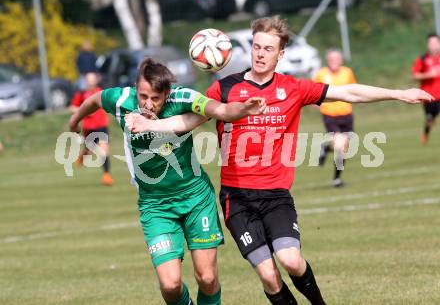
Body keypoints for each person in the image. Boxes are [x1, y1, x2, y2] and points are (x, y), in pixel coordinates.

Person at [126, 16, 432, 305]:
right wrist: (149, 124)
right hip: (237, 199)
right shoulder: (224, 88)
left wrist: (398, 93)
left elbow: (347, 92)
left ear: (280, 54)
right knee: (270, 277)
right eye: (256, 46)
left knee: (290, 260)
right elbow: (187, 121)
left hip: (276, 196)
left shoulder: (293, 88)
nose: (260, 54)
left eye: (268, 48)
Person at [69, 57, 268, 305]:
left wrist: (244, 108)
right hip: (155, 206)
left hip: (196, 198)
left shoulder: (181, 98)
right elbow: (95, 100)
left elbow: (220, 110)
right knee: (170, 284)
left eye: (155, 98)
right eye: (143, 96)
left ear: (167, 94)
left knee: (206, 278)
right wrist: (75, 120)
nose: (148, 104)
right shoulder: (122, 100)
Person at [313, 48, 357, 187]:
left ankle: (325, 150)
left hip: (347, 115)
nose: (334, 62)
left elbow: (354, 89)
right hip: (330, 116)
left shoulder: (347, 72)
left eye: (336, 59)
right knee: (340, 146)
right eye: (331, 59)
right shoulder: (321, 74)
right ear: (327, 60)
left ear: (341, 60)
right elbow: (313, 92)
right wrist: (316, 103)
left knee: (343, 148)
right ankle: (336, 180)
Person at [70, 72, 113, 186]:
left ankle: (106, 175)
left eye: (92, 79)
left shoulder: (101, 92)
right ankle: (83, 155)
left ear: (96, 81)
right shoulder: (82, 93)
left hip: (102, 125)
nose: (90, 82)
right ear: (85, 81)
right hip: (88, 127)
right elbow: (72, 108)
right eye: (88, 80)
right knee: (90, 150)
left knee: (103, 150)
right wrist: (84, 110)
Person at [412, 33, 440, 145]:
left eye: (435, 43)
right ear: (427, 45)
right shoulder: (422, 59)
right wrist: (429, 74)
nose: (432, 45)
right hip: (428, 96)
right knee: (429, 119)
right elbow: (415, 75)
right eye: (430, 43)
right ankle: (426, 133)